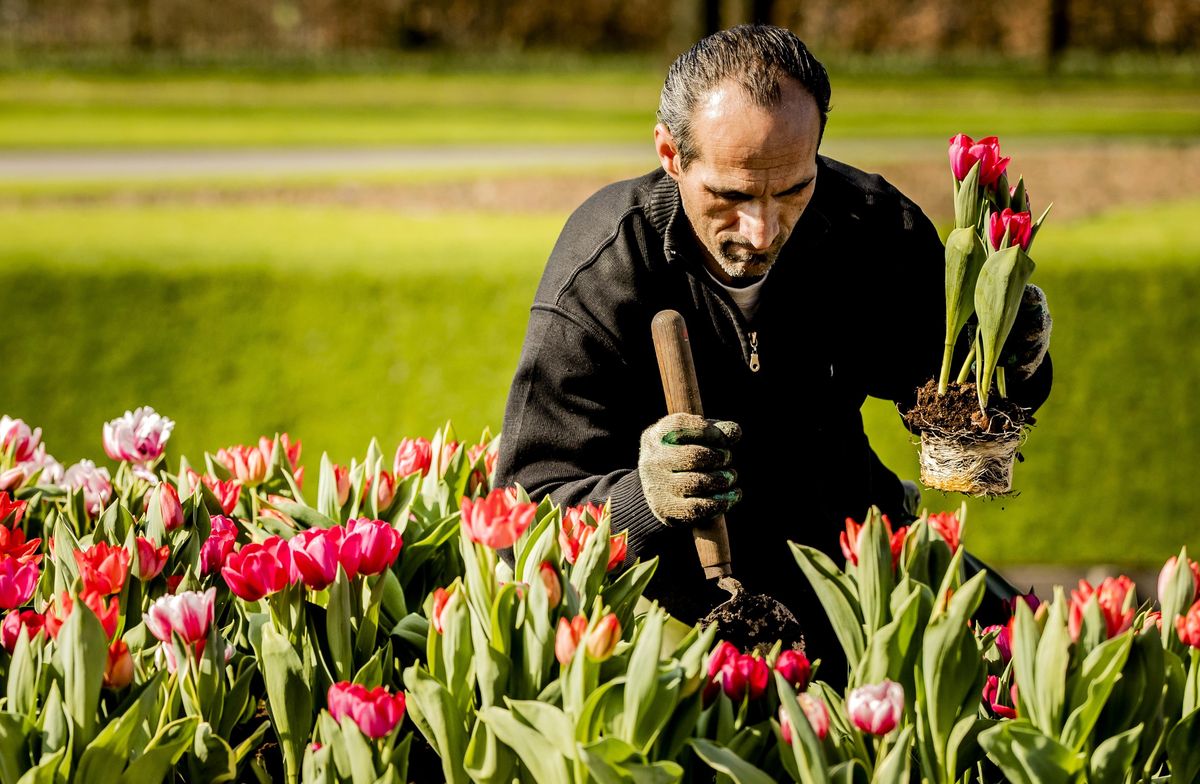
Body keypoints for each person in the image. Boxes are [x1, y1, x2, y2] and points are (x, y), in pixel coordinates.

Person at [494, 24, 1052, 682]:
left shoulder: (868, 227)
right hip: (686, 602)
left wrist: (1012, 357)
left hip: (853, 555)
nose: (762, 230)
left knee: (1035, 670)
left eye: (792, 190)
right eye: (730, 196)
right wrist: (643, 499)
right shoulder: (606, 270)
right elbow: (524, 514)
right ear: (671, 153)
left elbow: (952, 392)